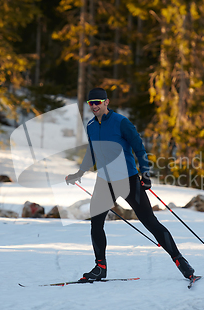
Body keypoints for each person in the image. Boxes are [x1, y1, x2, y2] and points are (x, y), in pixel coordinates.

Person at [66, 87, 196, 281]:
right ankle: (100, 267)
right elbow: (91, 153)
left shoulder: (121, 122)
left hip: (128, 179)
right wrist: (79, 173)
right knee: (96, 223)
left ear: (106, 102)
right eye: (91, 103)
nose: (94, 106)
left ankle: (180, 261)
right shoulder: (91, 125)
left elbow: (138, 147)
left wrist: (145, 172)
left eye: (98, 102)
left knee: (150, 222)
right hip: (104, 181)